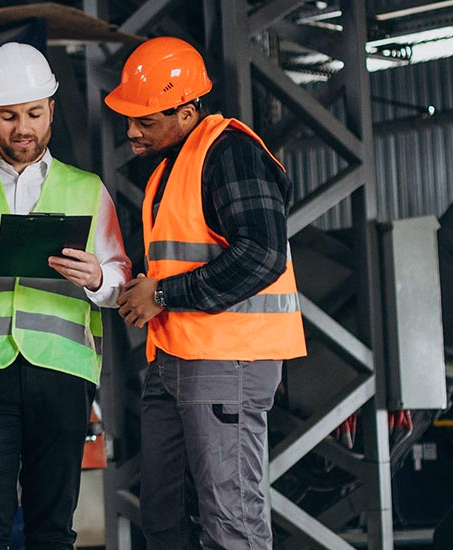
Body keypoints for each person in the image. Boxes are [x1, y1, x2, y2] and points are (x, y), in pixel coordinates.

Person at [0, 42, 131, 550]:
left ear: (51, 108)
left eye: (34, 113)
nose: (22, 128)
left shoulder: (89, 190)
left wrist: (98, 277)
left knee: (53, 530)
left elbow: (121, 277)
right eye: (8, 116)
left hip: (62, 375)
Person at [105, 37, 308, 550]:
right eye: (129, 118)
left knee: (230, 520)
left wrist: (164, 295)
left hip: (228, 365)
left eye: (144, 121)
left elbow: (263, 255)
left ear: (187, 110)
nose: (131, 131)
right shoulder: (173, 165)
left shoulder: (231, 154)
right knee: (164, 519)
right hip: (175, 359)